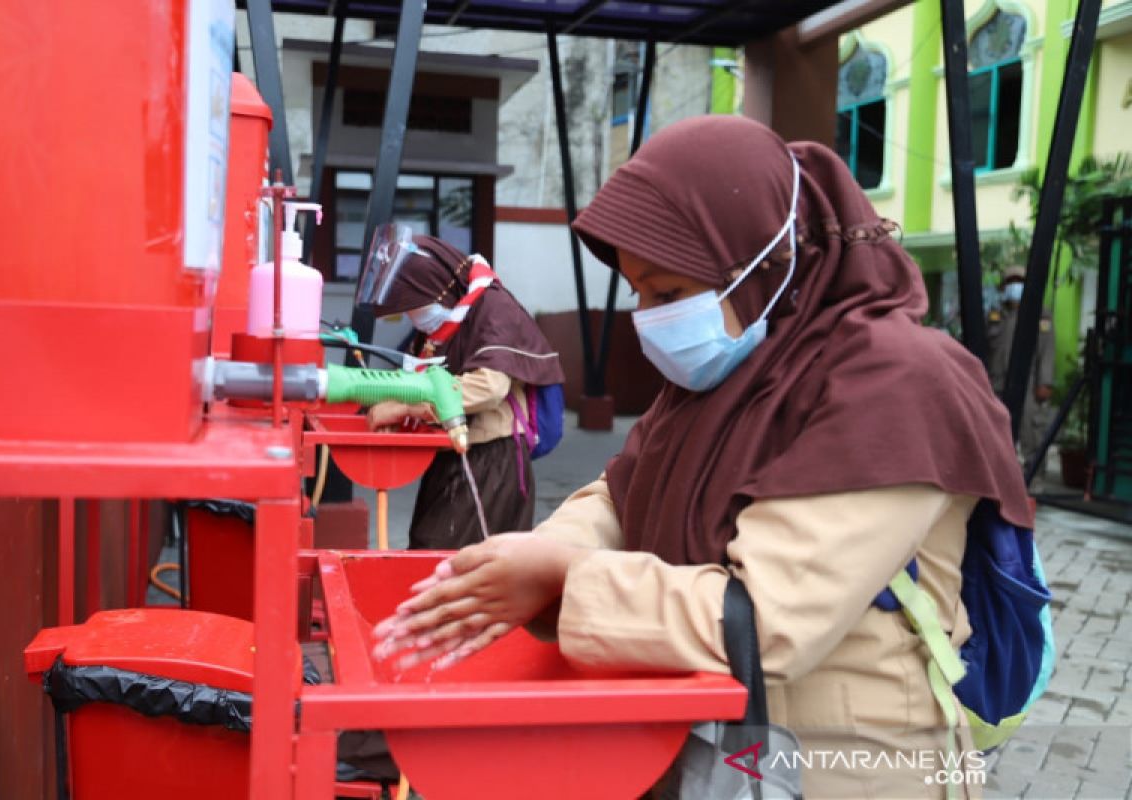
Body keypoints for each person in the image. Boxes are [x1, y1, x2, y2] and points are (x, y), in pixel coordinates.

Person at [370, 116, 1033, 797]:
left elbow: (768, 618)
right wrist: (542, 551)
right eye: (638, 293)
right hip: (715, 745)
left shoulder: (896, 383)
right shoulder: (732, 372)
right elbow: (623, 492)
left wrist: (563, 578)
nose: (649, 317)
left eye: (668, 292)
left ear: (767, 267)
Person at [365, 235, 564, 550]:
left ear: (437, 288)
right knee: (430, 551)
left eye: (414, 308)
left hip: (492, 457)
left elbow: (489, 387)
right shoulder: (446, 321)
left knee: (448, 559)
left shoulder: (494, 308)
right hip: (453, 451)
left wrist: (406, 408)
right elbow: (418, 375)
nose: (412, 318)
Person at [988, 266, 1056, 479]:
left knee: (1031, 432)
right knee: (995, 433)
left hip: (1028, 382)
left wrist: (1045, 381)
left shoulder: (1040, 314)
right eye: (1011, 281)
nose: (1014, 286)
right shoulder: (995, 315)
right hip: (996, 382)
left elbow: (1047, 351)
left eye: (1019, 281)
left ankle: (1033, 481)